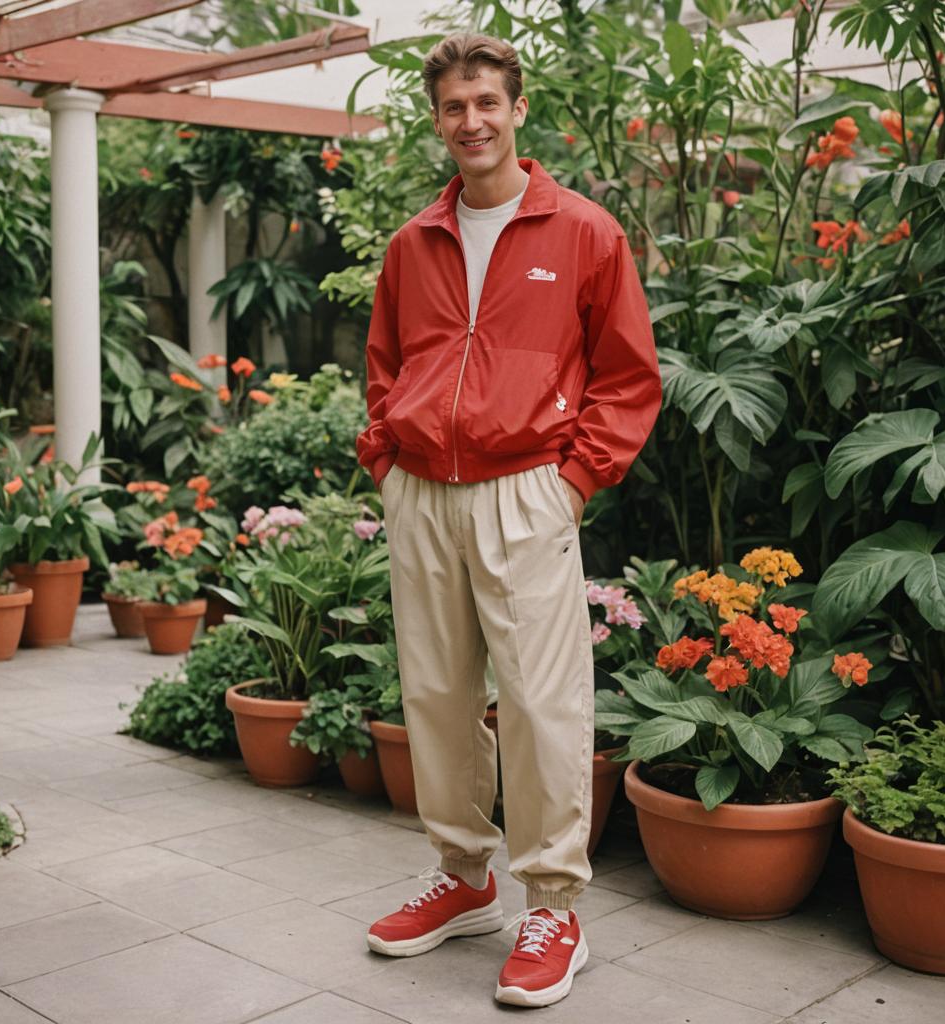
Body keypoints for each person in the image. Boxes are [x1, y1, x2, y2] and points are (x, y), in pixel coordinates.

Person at [355, 32, 660, 1008]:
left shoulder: (583, 232)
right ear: (437, 118)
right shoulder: (413, 243)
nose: (471, 121)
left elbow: (626, 376)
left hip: (528, 483)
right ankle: (465, 877)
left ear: (516, 108)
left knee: (540, 702)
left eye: (486, 101)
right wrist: (385, 452)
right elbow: (384, 365)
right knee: (437, 695)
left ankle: (553, 907)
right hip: (422, 493)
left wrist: (573, 481)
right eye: (453, 106)